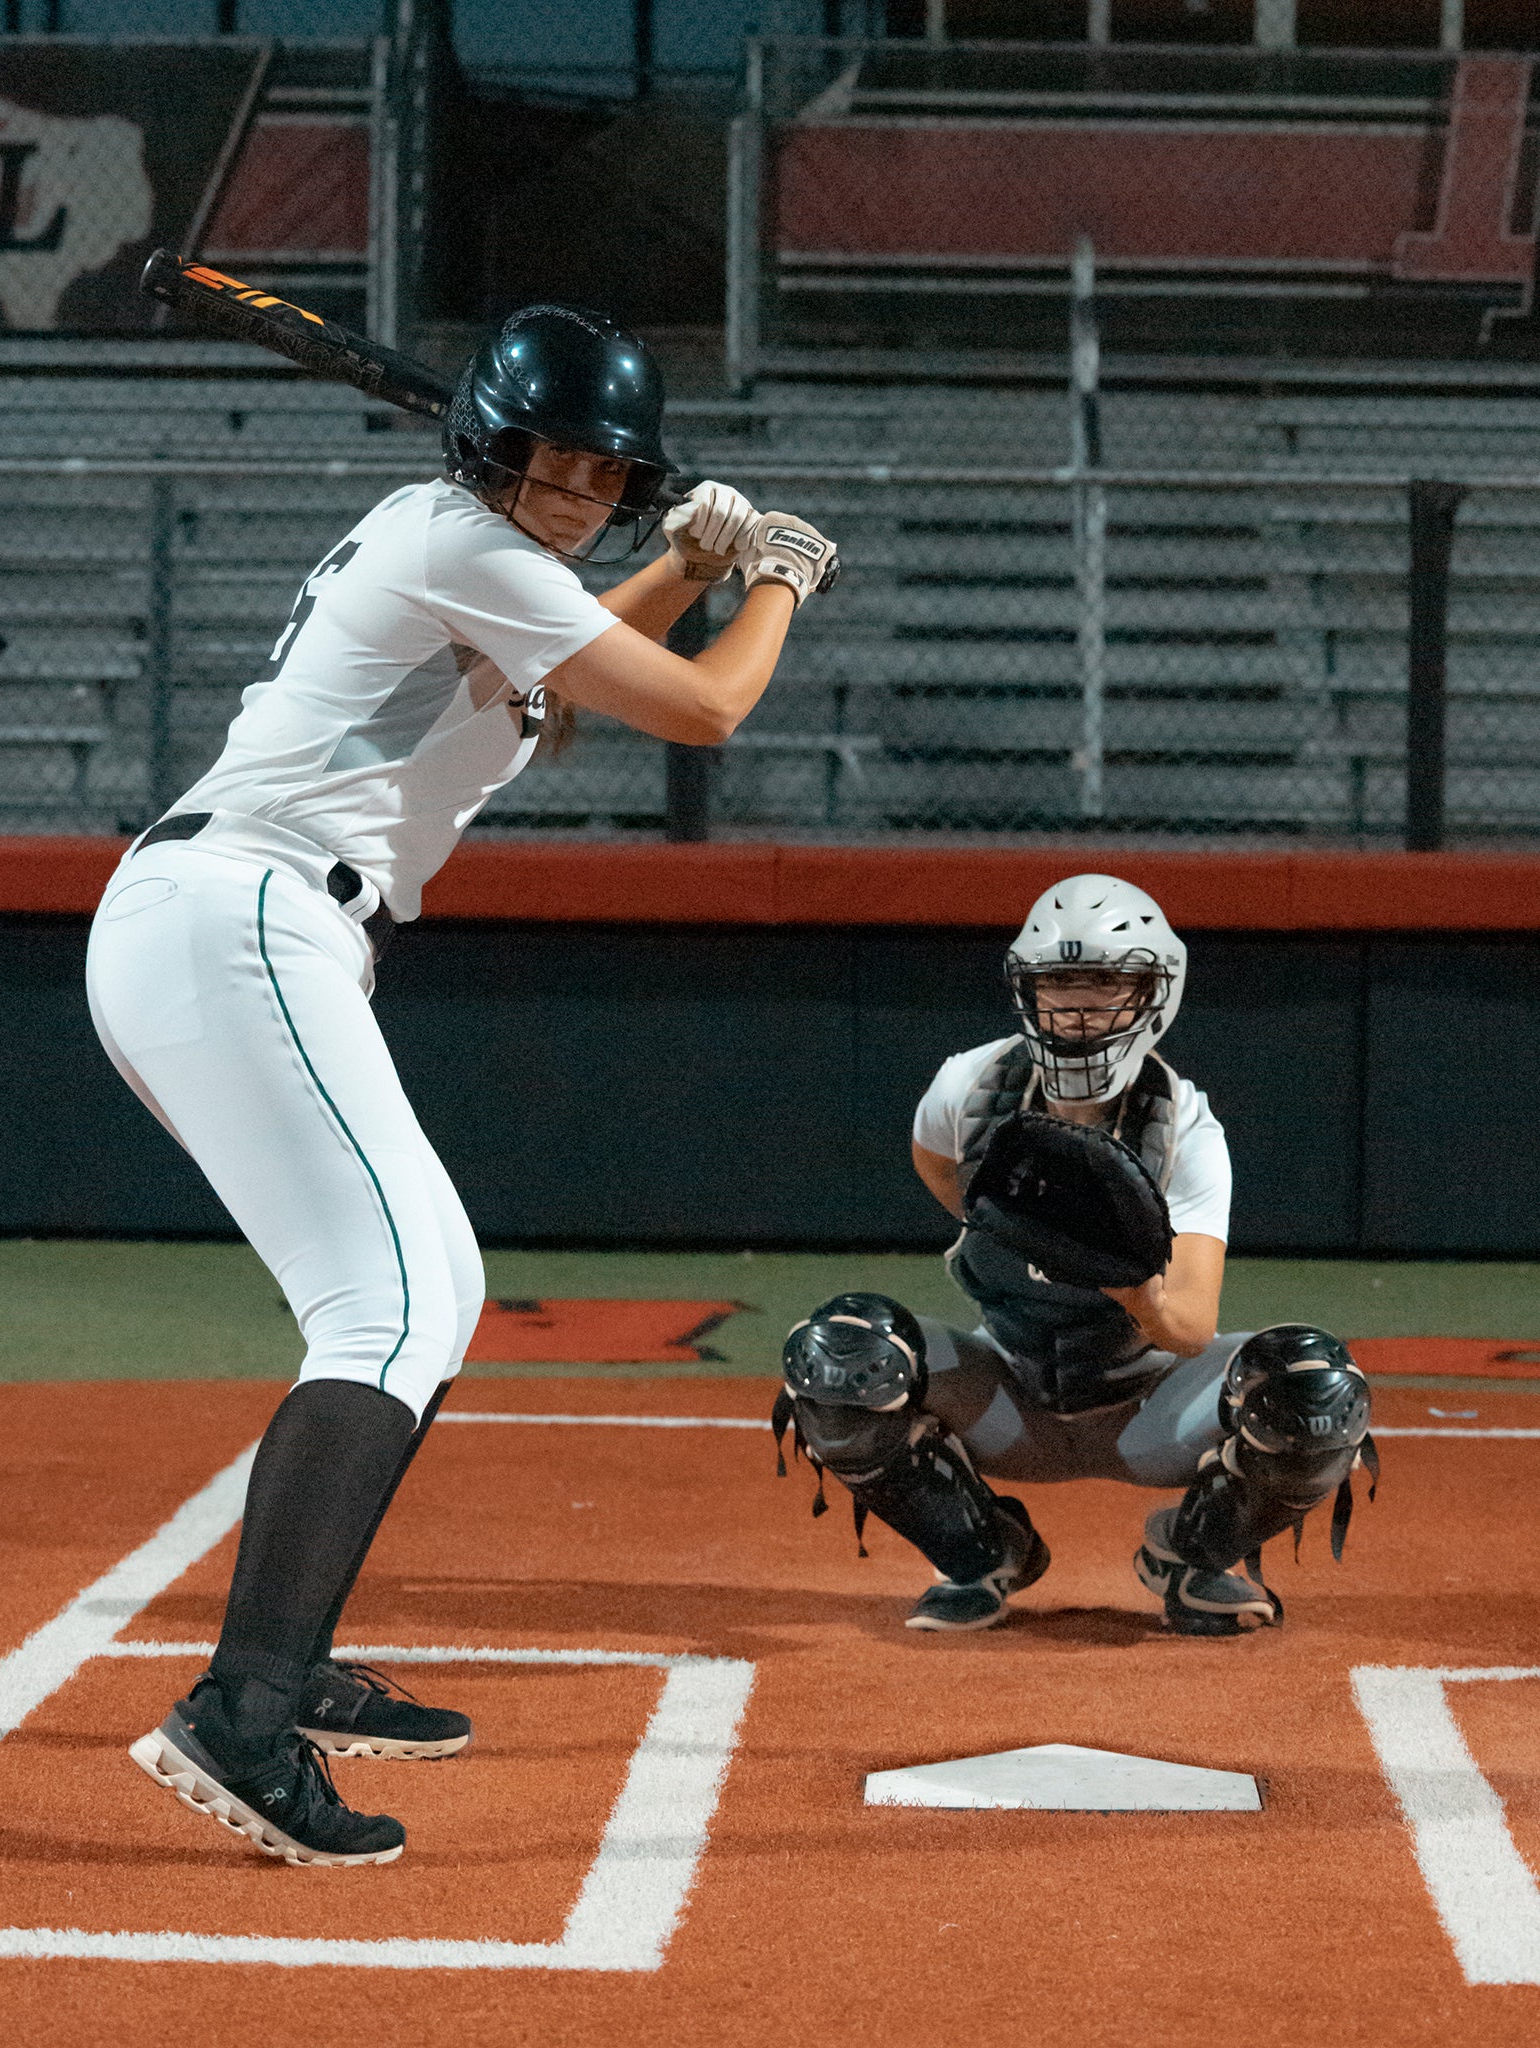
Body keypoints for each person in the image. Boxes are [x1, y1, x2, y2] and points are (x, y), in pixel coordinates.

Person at [88, 303, 837, 1866]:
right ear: (491, 444)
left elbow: (546, 707)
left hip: (228, 928)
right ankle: (243, 1712)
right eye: (551, 465)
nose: (570, 497)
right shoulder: (464, 545)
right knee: (400, 1301)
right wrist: (775, 577)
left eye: (599, 475)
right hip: (245, 917)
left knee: (404, 1296)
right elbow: (704, 709)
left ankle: (286, 1661)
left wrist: (690, 570)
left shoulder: (463, 558)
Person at [772, 873, 1375, 1639]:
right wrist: (1018, 1226)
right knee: (838, 1353)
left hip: (1145, 1407)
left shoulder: (1185, 1128)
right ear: (1028, 990)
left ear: (1155, 995)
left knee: (1311, 1388)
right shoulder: (969, 1086)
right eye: (1059, 986)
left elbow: (1189, 1325)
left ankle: (1192, 1557)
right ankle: (980, 1551)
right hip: (1009, 1391)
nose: (1079, 1009)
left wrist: (1113, 1274)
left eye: (1107, 986)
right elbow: (937, 1169)